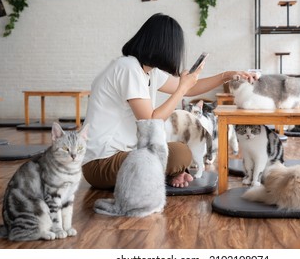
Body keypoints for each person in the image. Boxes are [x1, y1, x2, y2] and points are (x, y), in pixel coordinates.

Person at [82, 13, 256, 190]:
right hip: (100, 164)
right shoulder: (128, 68)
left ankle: (168, 174)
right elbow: (151, 120)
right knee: (180, 154)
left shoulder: (148, 71)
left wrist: (225, 76)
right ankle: (164, 173)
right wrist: (182, 87)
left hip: (127, 155)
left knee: (179, 152)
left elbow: (191, 89)